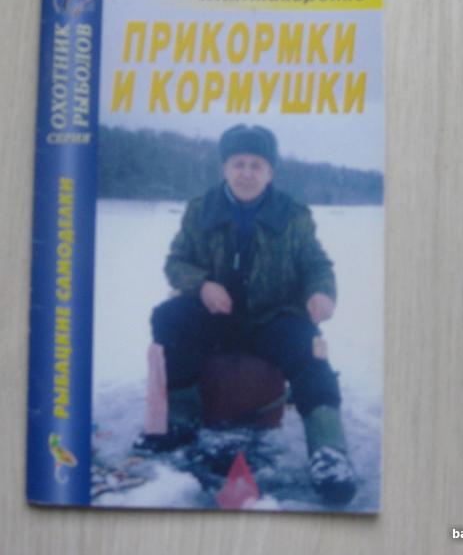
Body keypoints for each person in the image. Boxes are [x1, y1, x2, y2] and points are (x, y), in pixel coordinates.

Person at [136, 124, 357, 505]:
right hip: (214, 317)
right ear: (224, 167)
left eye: (257, 165)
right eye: (238, 163)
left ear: (270, 172)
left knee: (308, 345)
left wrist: (322, 292)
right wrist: (203, 285)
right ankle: (181, 421)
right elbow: (176, 262)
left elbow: (316, 264)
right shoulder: (200, 209)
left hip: (272, 319)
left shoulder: (294, 214)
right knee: (170, 317)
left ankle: (328, 451)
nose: (247, 173)